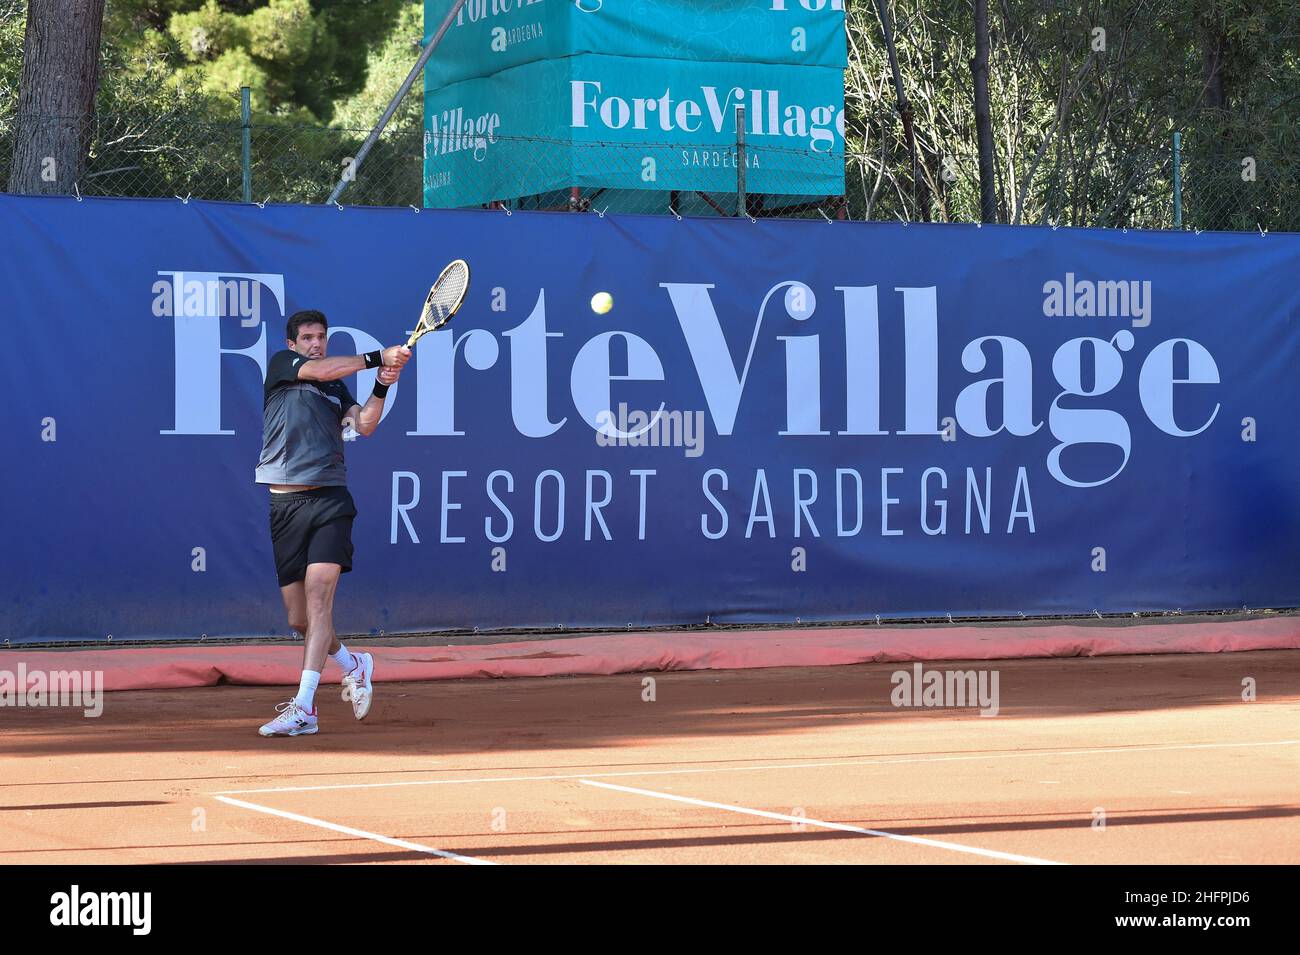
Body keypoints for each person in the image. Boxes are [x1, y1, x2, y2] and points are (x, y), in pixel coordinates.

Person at [254, 309, 409, 736]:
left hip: (330, 501)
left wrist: (381, 385)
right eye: (307, 338)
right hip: (285, 507)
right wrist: (380, 356)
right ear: (293, 345)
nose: (316, 343)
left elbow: (366, 425)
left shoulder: (336, 388)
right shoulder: (283, 367)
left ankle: (304, 707)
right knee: (299, 620)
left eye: (321, 336)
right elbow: (320, 370)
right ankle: (354, 664)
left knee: (320, 599)